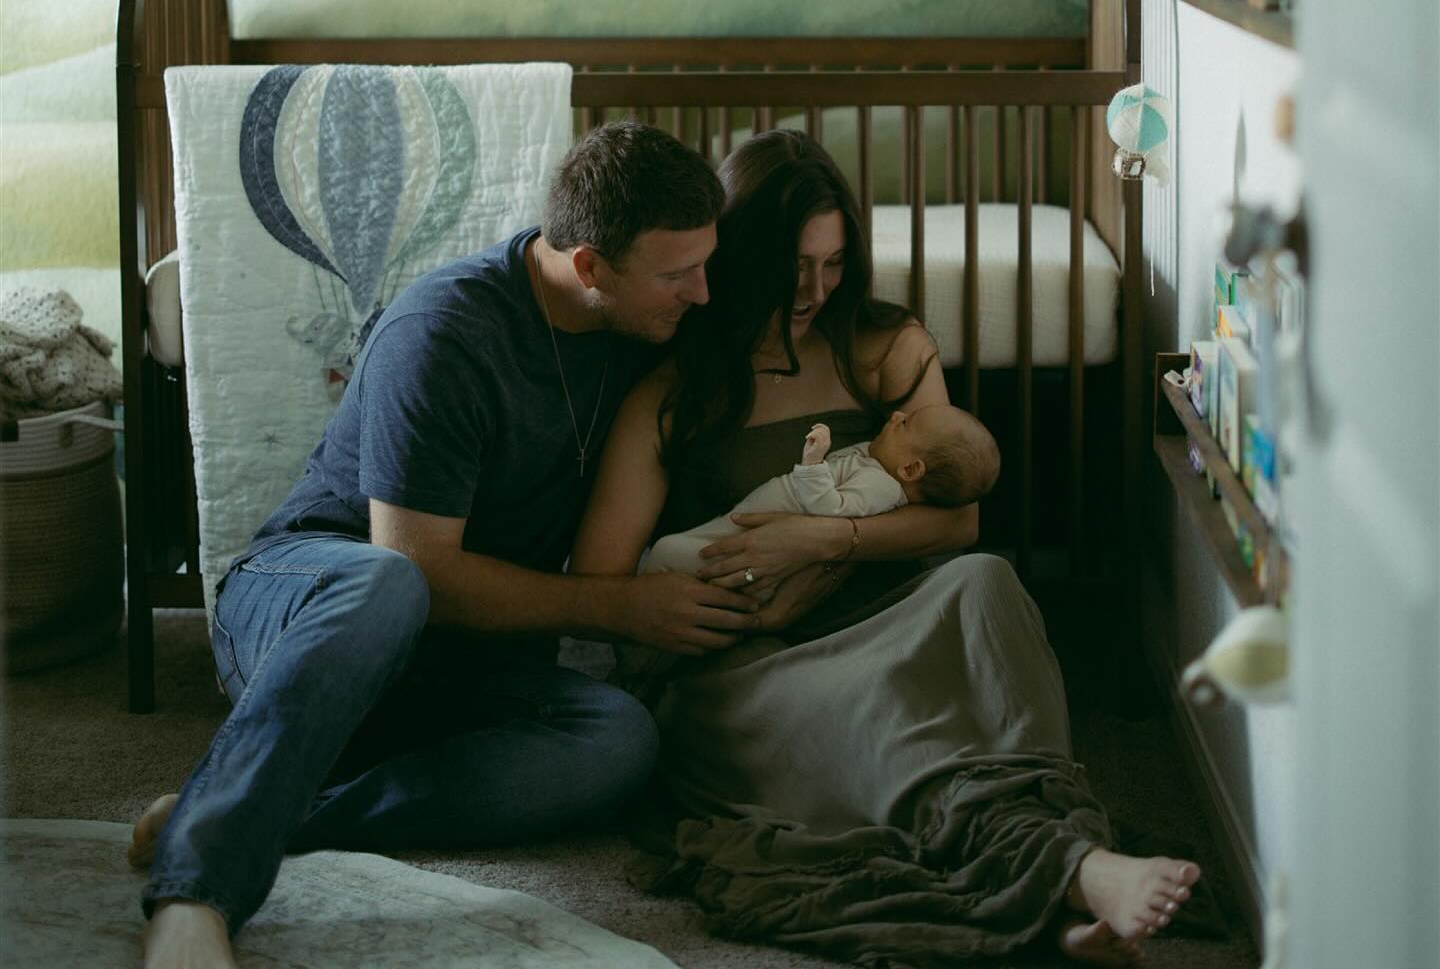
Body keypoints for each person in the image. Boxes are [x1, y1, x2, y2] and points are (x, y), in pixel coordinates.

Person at [130, 120, 764, 969]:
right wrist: (621, 609)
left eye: (705, 265)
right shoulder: (445, 331)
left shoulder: (647, 329)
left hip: (460, 665)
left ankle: (262, 807)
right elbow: (421, 567)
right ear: (590, 267)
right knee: (388, 583)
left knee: (617, 739)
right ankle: (195, 890)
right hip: (314, 606)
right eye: (677, 274)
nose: (701, 295)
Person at [572, 130, 1201, 967]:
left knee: (985, 582)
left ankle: (1060, 870)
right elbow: (602, 584)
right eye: (794, 266)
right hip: (746, 658)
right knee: (904, 726)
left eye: (834, 264)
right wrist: (732, 596)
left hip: (881, 605)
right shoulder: (674, 389)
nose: (815, 289)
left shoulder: (884, 346)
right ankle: (1073, 877)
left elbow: (957, 522)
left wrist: (819, 540)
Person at [644, 406, 1000, 598]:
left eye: (906, 424)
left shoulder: (881, 487)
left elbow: (830, 514)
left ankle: (639, 649)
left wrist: (814, 461)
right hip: (751, 522)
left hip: (759, 534)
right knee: (685, 553)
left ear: (910, 469)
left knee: (668, 553)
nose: (895, 415)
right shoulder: (879, 464)